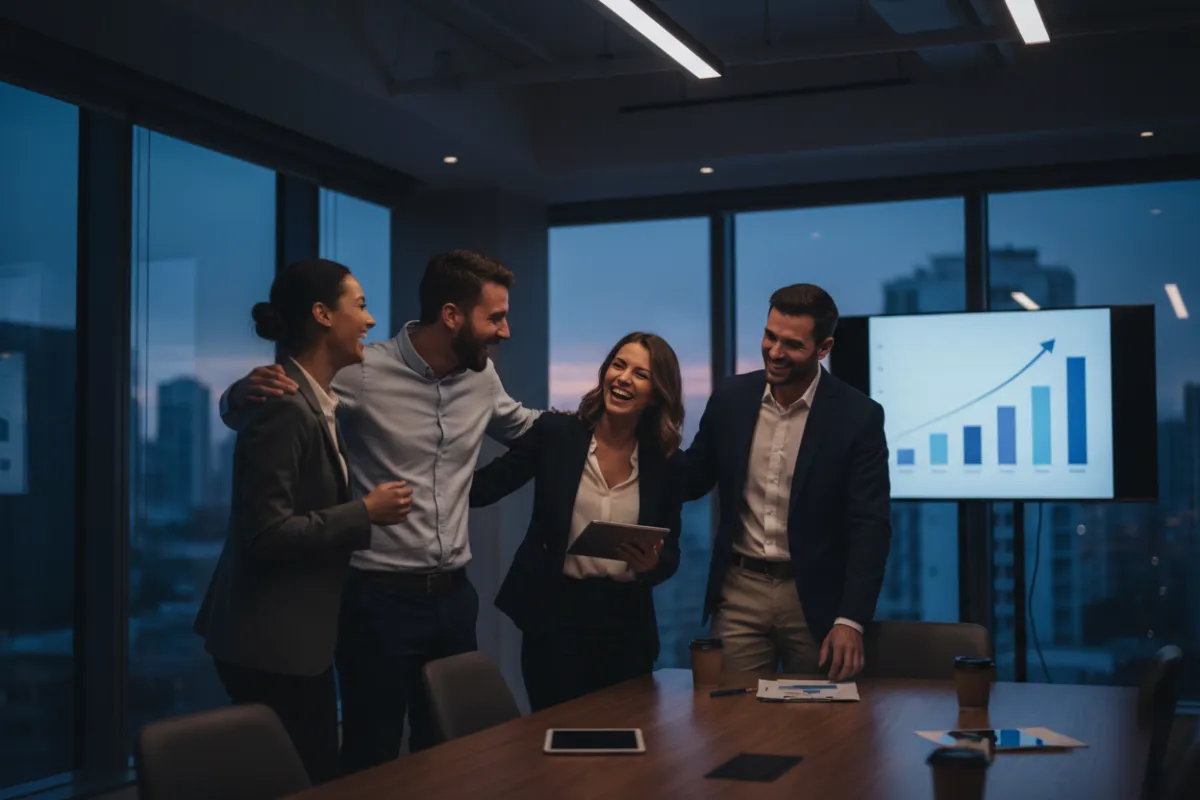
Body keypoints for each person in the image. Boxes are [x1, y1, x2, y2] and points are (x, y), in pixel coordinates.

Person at [218, 250, 538, 771]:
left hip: (455, 596)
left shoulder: (483, 378)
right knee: (372, 751)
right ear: (453, 315)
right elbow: (283, 401)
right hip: (375, 602)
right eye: (496, 317)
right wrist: (235, 394)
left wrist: (598, 418)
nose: (504, 331)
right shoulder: (362, 370)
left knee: (454, 750)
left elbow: (526, 427)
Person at [194, 258, 413, 784]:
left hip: (296, 641)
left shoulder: (313, 399)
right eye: (359, 306)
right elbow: (267, 534)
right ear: (322, 314)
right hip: (270, 644)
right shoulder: (285, 405)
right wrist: (365, 512)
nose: (370, 321)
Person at [683, 283, 891, 681]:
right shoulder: (730, 397)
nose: (775, 352)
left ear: (823, 348)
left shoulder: (858, 417)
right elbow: (692, 478)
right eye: (769, 336)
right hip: (739, 591)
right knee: (729, 717)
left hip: (815, 599)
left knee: (820, 729)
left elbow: (870, 526)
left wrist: (851, 619)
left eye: (791, 344)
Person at [469, 332, 684, 711]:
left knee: (626, 740)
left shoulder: (664, 463)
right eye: (618, 365)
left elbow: (671, 553)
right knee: (553, 738)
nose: (623, 378)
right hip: (556, 619)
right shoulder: (557, 435)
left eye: (640, 373)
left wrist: (654, 564)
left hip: (626, 623)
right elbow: (484, 488)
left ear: (657, 393)